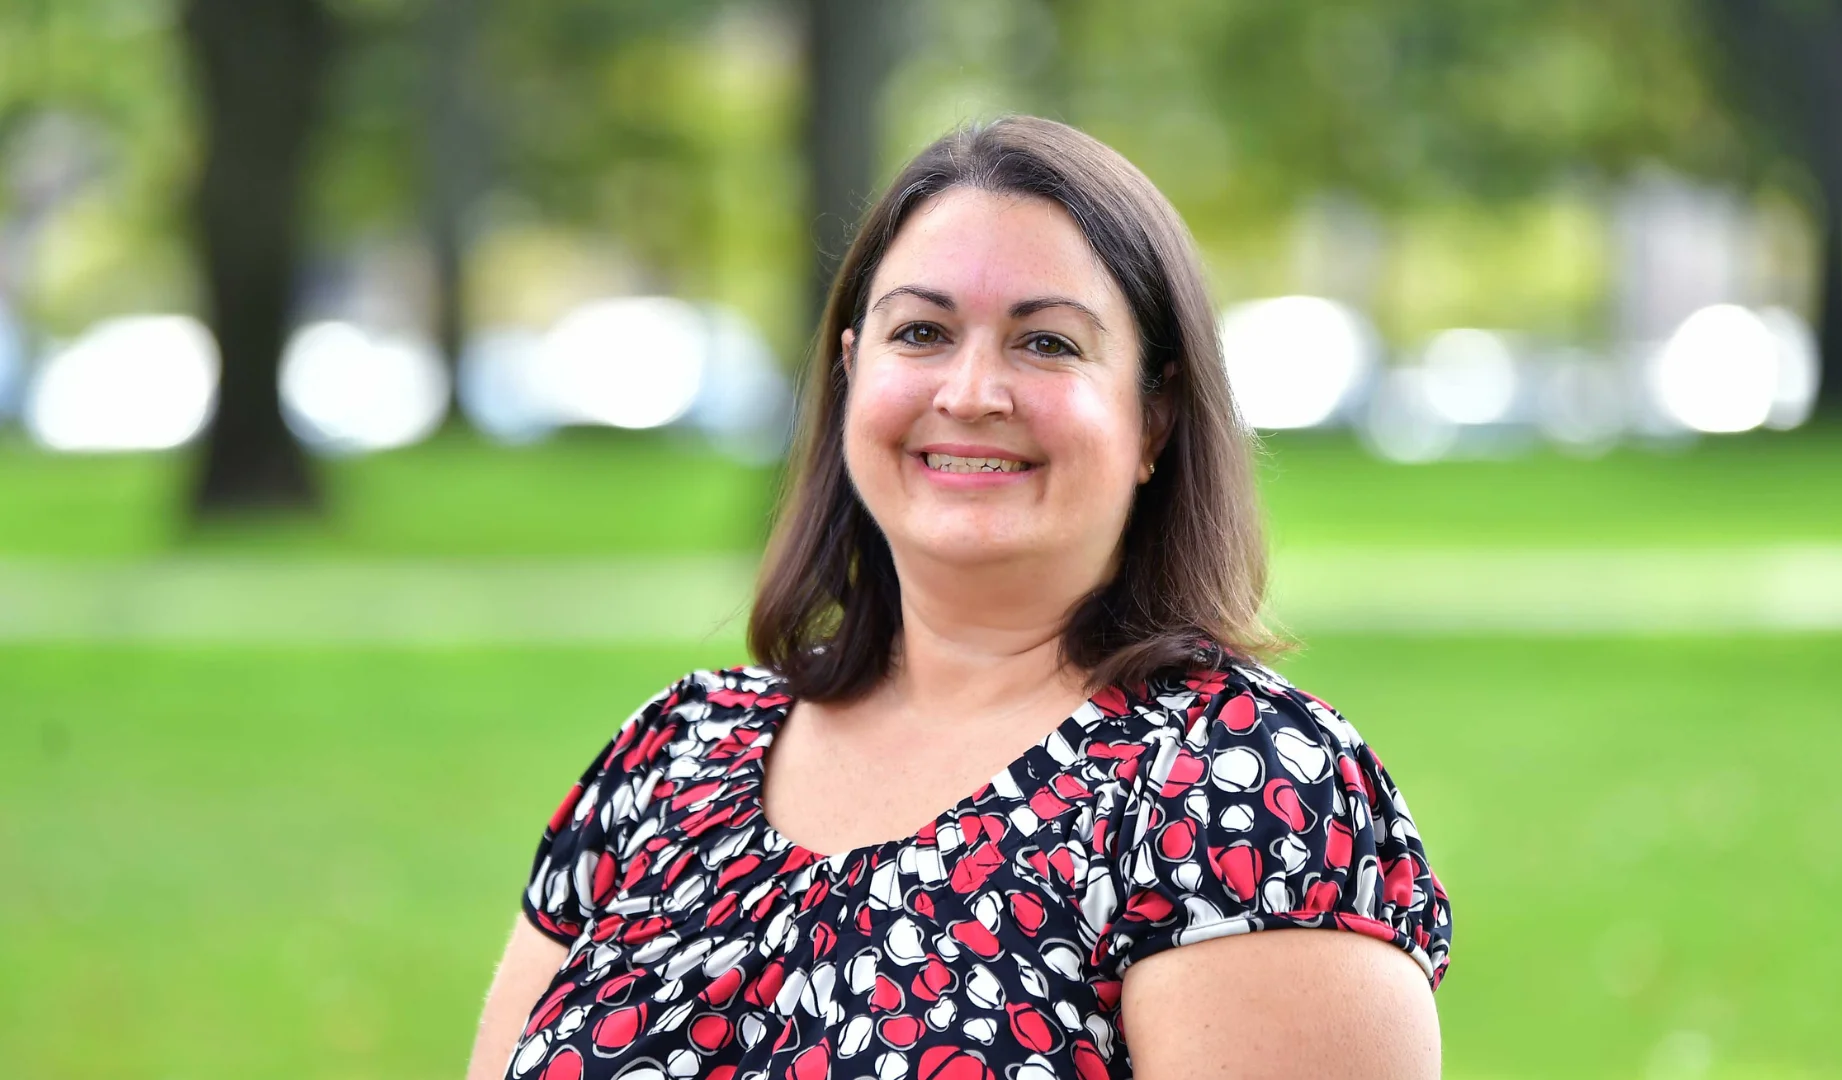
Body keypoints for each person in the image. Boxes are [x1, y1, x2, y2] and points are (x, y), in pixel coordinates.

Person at [466, 115, 1451, 1080]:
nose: (973, 391)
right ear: (853, 371)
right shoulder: (671, 758)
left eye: (1049, 345)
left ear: (1154, 417)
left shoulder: (1242, 790)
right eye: (923, 332)